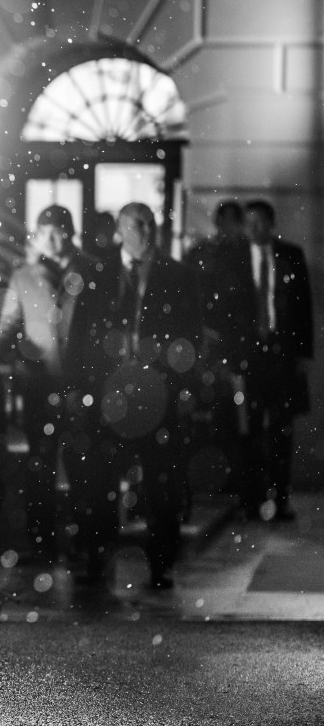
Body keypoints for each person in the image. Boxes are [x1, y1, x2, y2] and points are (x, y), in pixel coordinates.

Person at [72, 202, 202, 590]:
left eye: (149, 224)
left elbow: (190, 336)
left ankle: (162, 562)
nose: (144, 231)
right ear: (121, 229)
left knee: (161, 480)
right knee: (100, 479)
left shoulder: (176, 275)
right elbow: (81, 335)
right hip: (108, 392)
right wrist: (79, 388)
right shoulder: (98, 273)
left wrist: (184, 389)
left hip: (157, 393)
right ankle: (97, 557)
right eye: (136, 224)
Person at [0, 204, 96, 557]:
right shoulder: (24, 276)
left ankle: (85, 540)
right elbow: (10, 322)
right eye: (45, 232)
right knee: (40, 463)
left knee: (82, 462)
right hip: (40, 383)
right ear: (37, 236)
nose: (52, 238)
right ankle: (41, 538)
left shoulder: (91, 271)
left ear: (70, 232)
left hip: (81, 382)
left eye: (58, 230)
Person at [240, 200, 313, 521]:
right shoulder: (236, 258)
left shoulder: (290, 255)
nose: (254, 229)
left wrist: (304, 353)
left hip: (282, 355)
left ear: (271, 223)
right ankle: (251, 501)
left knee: (281, 431)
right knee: (250, 431)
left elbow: (304, 306)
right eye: (249, 222)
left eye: (259, 222)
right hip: (249, 357)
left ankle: (279, 499)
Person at [184, 201, 255, 495]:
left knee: (234, 417)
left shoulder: (245, 254)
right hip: (211, 344)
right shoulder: (204, 253)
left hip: (234, 345)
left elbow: (249, 303)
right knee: (213, 414)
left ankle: (231, 481)